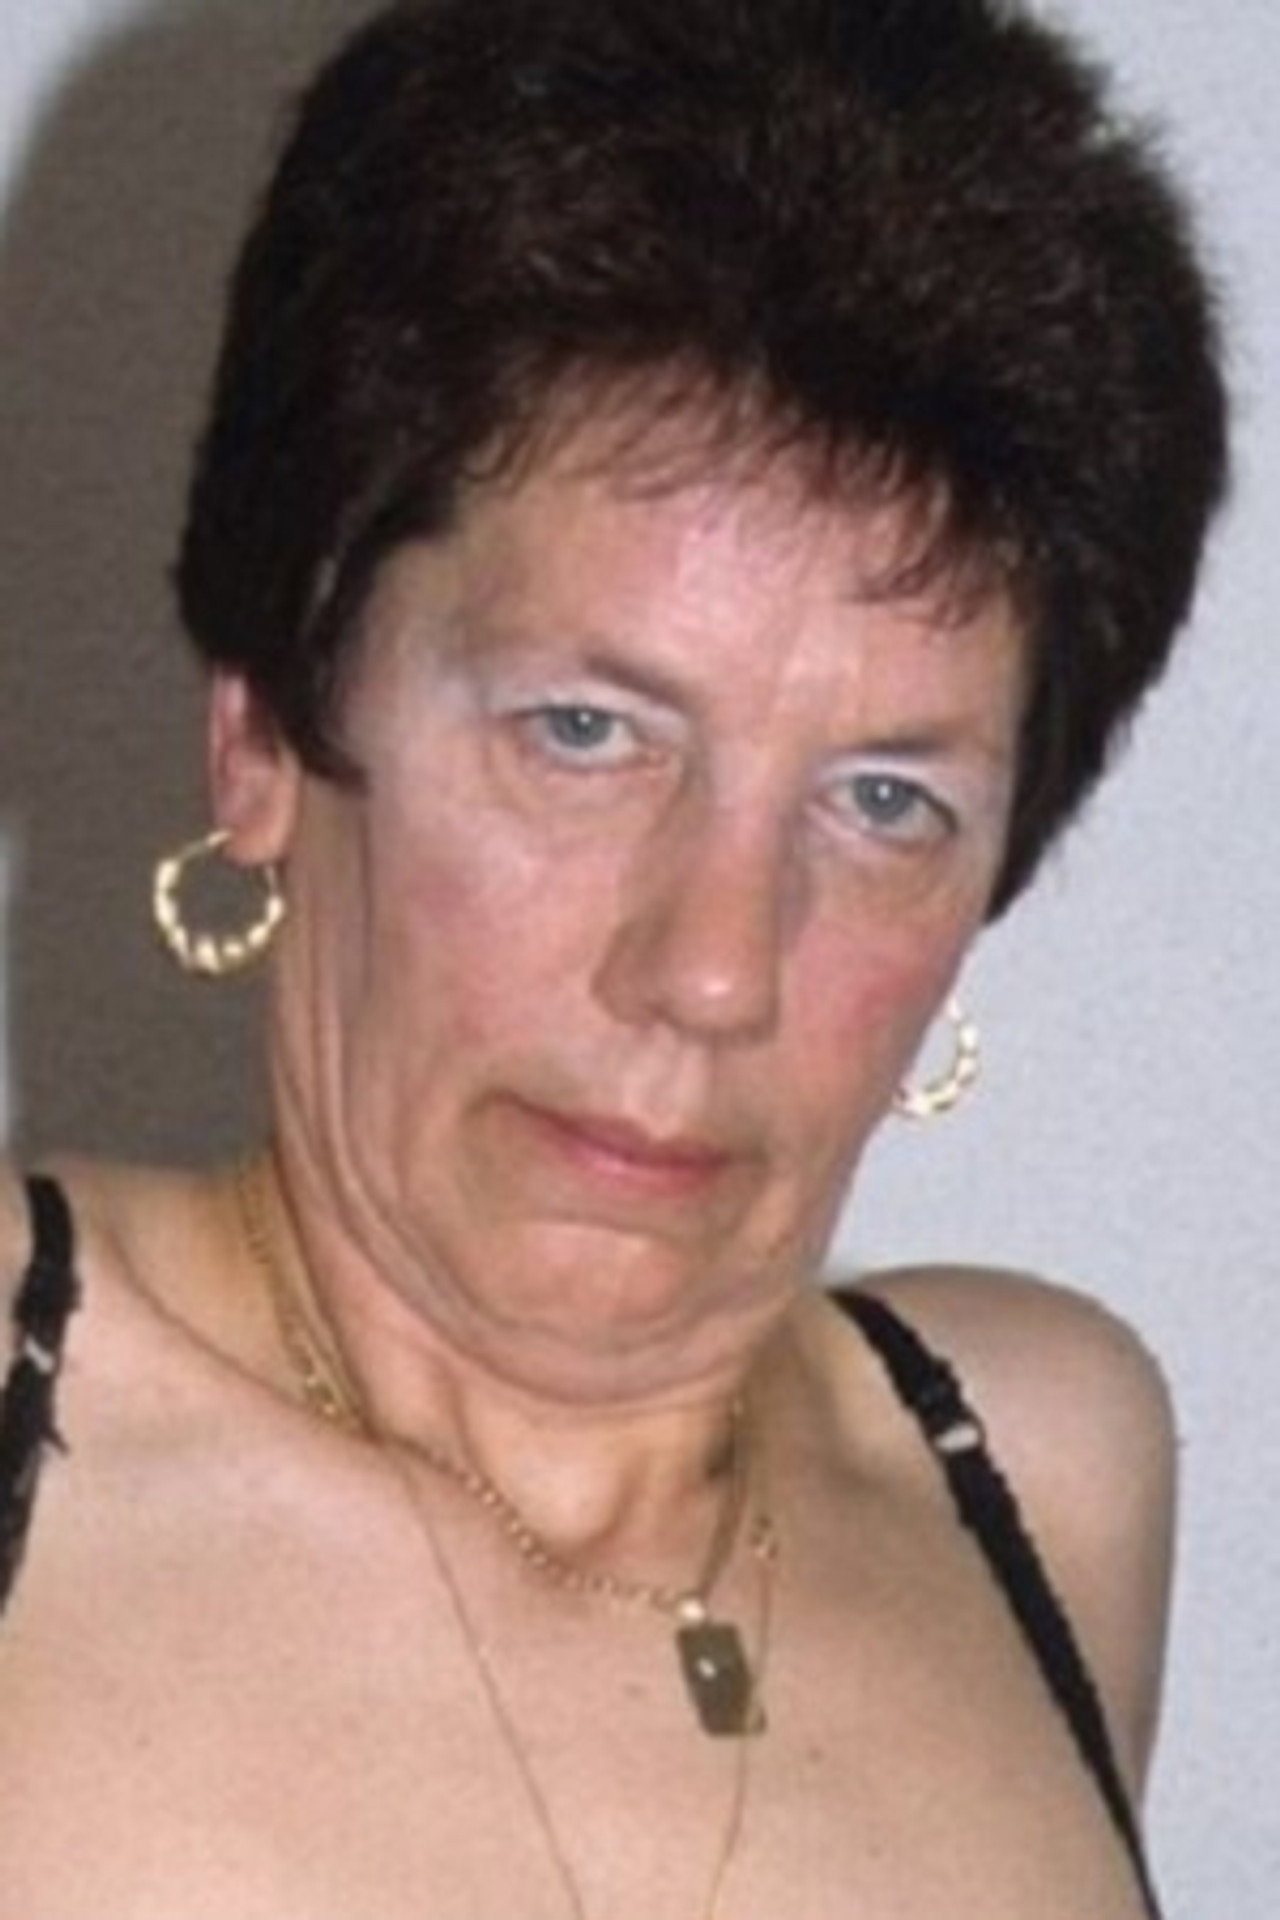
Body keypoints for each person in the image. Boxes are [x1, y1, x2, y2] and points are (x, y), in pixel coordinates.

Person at [0, 0, 1227, 1913]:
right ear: (264, 728)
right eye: (585, 732)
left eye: (884, 800)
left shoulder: (1037, 1475)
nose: (715, 969)